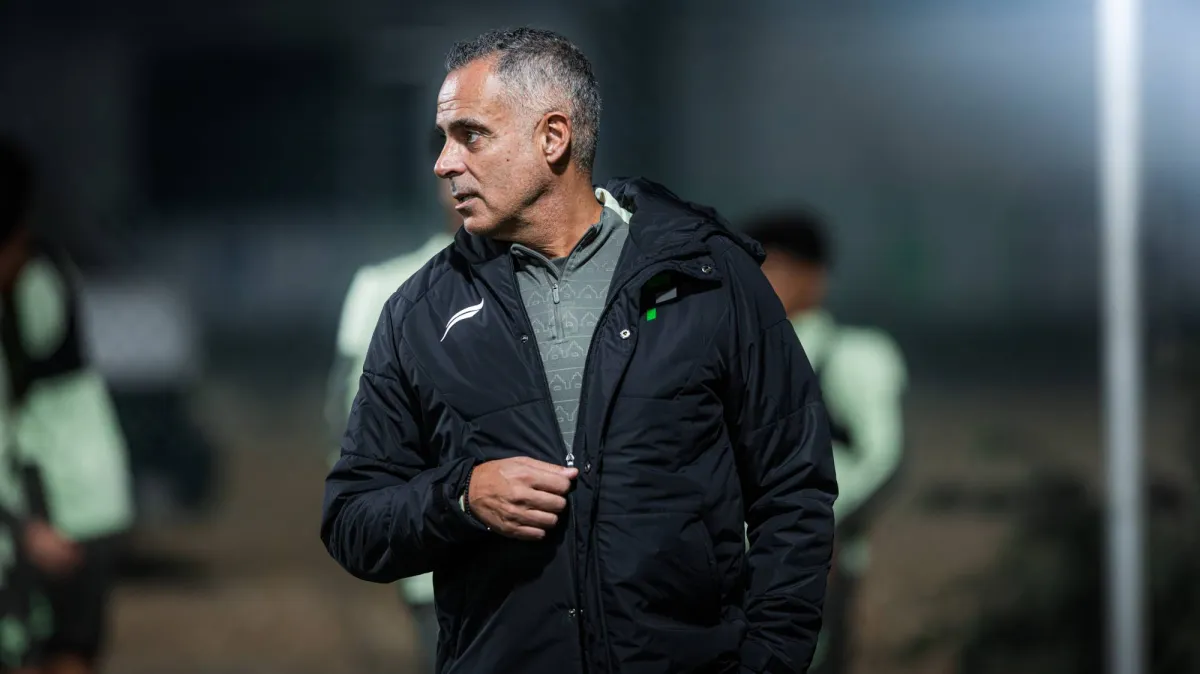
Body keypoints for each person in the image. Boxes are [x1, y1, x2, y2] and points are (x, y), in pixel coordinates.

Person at [322, 27, 837, 674]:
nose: (443, 163)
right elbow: (353, 518)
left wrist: (770, 661)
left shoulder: (708, 278)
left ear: (553, 138)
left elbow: (794, 486)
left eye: (470, 135)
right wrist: (461, 498)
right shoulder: (418, 313)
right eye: (445, 138)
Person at [746, 209, 907, 674]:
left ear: (814, 277)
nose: (759, 282)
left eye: (774, 268)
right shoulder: (734, 356)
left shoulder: (854, 357)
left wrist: (817, 532)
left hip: (813, 569)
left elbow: (885, 459)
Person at [325, 131, 461, 672]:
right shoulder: (384, 289)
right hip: (443, 560)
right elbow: (350, 427)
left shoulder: (572, 281)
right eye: (452, 151)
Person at [0, 137, 135, 674]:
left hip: (66, 501)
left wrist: (29, 527)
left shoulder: (34, 285)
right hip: (79, 496)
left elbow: (21, 421)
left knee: (60, 650)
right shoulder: (48, 270)